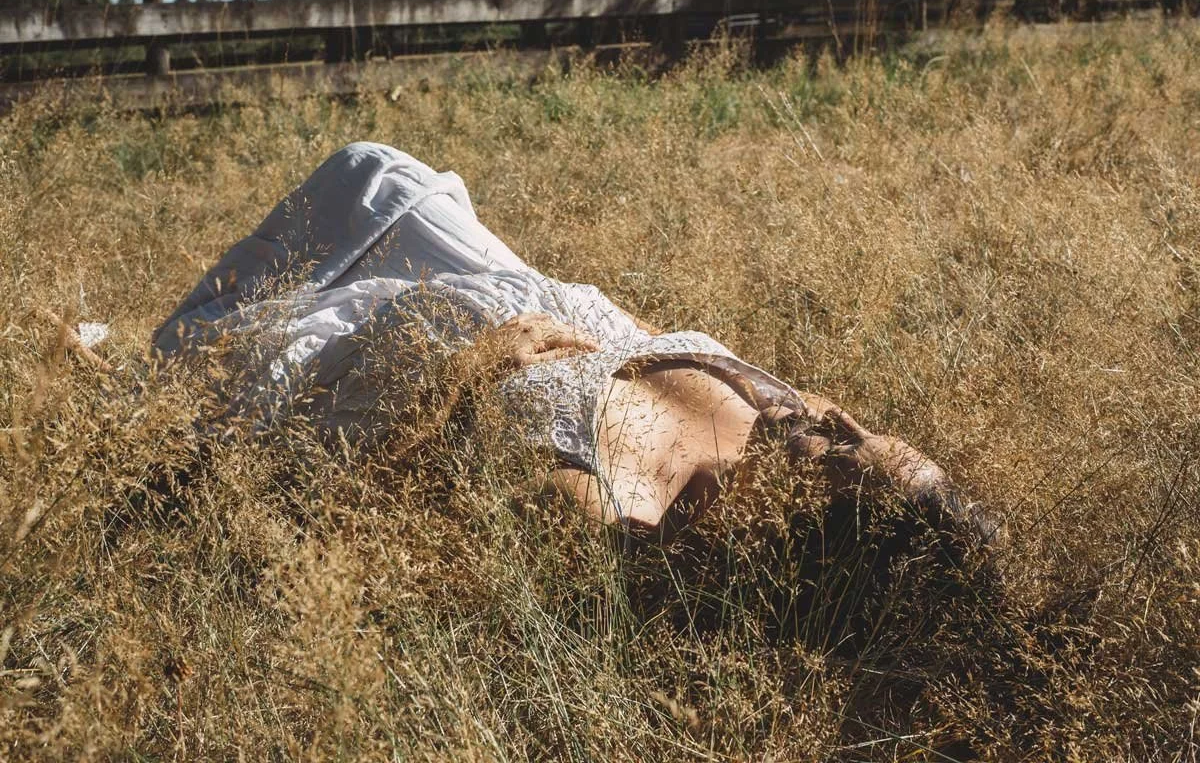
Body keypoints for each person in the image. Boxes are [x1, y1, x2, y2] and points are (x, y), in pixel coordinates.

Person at [153, 142, 995, 547]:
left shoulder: (618, 518)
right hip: (505, 282)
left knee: (182, 369)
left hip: (381, 358)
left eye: (848, 455)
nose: (841, 420)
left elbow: (366, 514)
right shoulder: (784, 420)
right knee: (377, 170)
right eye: (865, 429)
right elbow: (644, 336)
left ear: (818, 525)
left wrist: (468, 372)